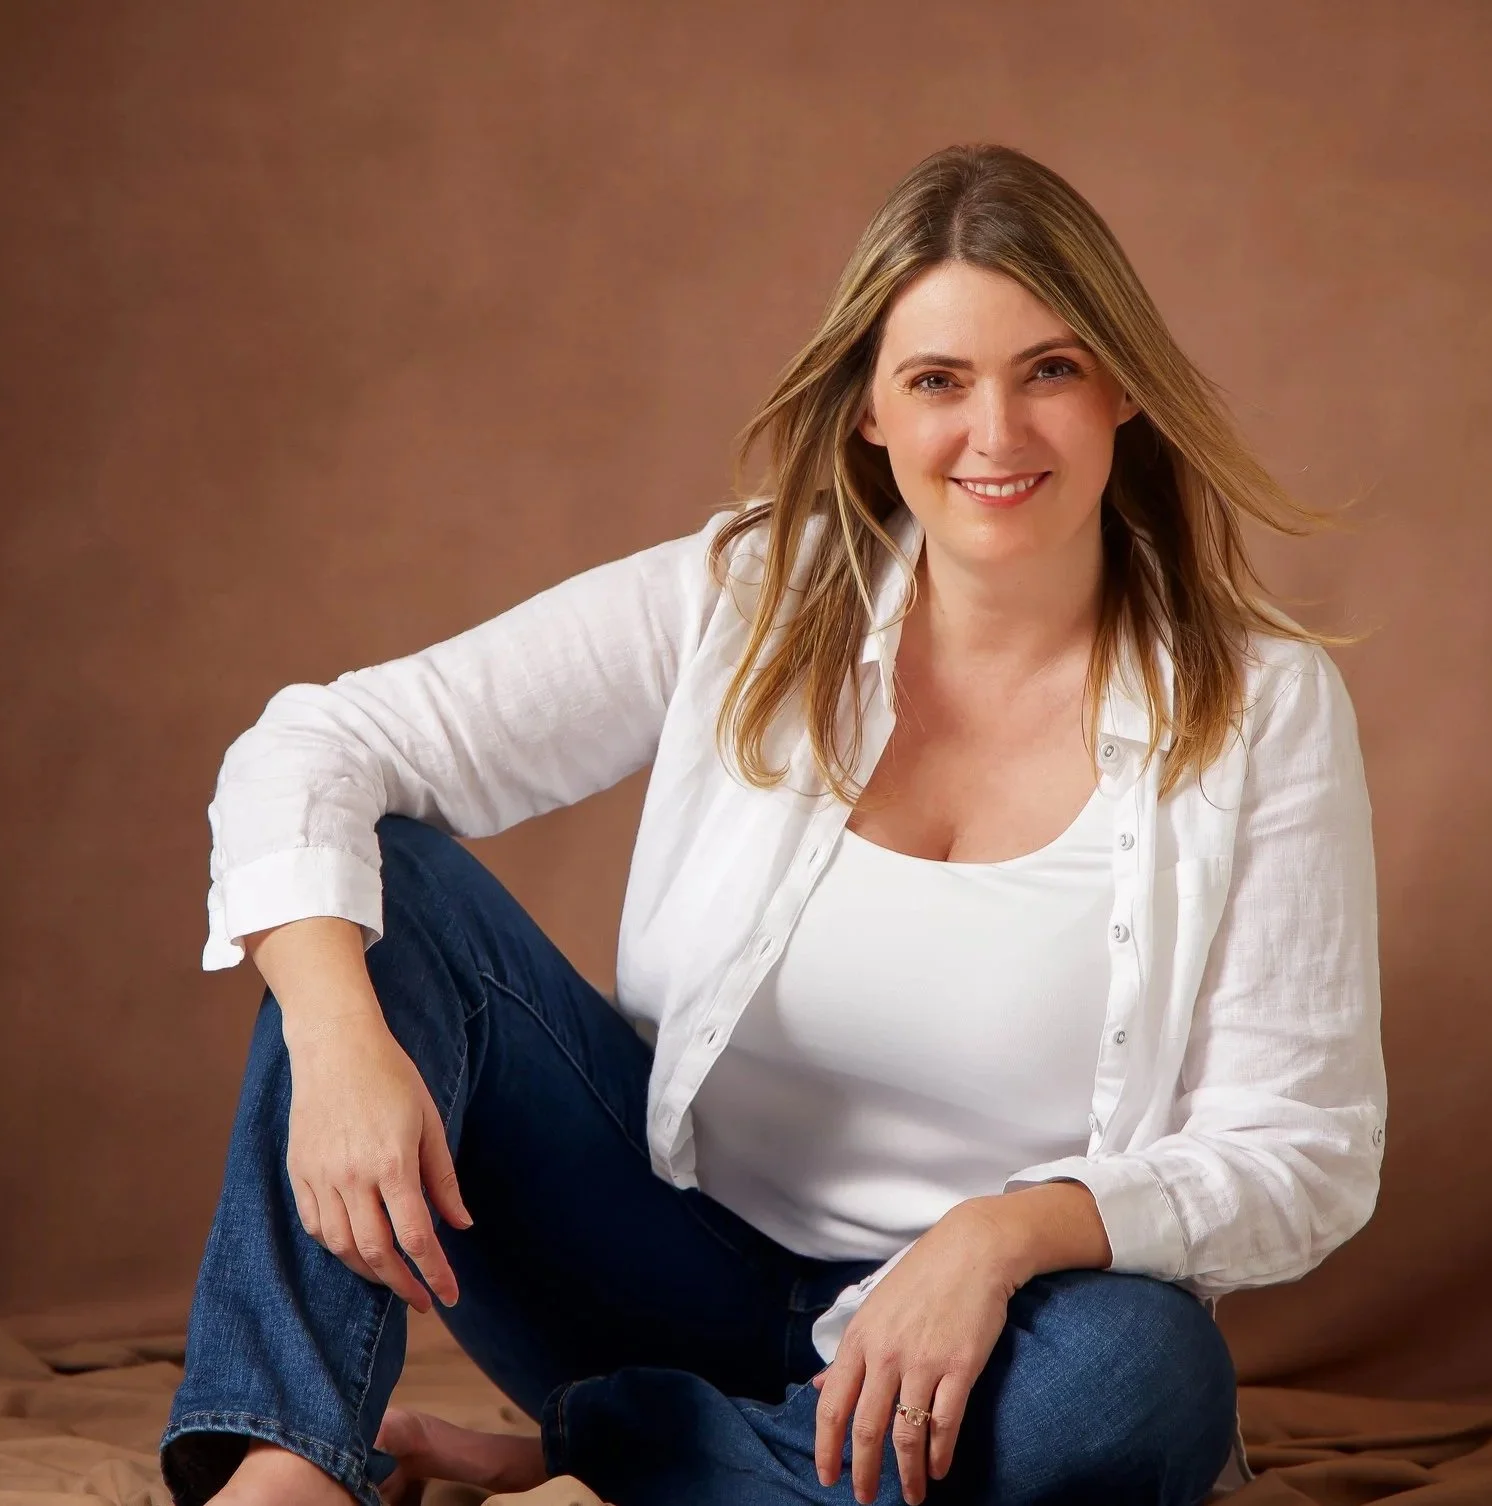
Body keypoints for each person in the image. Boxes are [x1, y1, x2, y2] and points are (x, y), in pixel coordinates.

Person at [161, 142, 1385, 1506]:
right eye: (938, 380)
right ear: (868, 409)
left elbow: (1304, 1146)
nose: (996, 433)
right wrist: (336, 1039)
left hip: (970, 1355)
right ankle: (290, 1468)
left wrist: (1001, 1236)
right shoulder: (745, 594)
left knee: (1141, 1380)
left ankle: (615, 1462)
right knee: (380, 887)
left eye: (1048, 369)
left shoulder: (1261, 706)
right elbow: (315, 748)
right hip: (651, 1267)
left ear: (1124, 389)